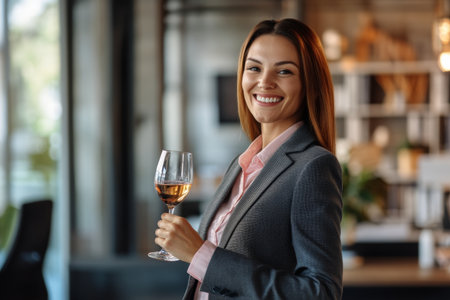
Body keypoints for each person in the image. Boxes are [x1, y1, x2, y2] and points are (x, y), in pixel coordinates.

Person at [154, 18, 343, 300]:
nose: (264, 82)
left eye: (285, 71)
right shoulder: (241, 164)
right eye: (254, 68)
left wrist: (199, 253)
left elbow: (321, 293)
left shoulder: (313, 167)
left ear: (309, 84)